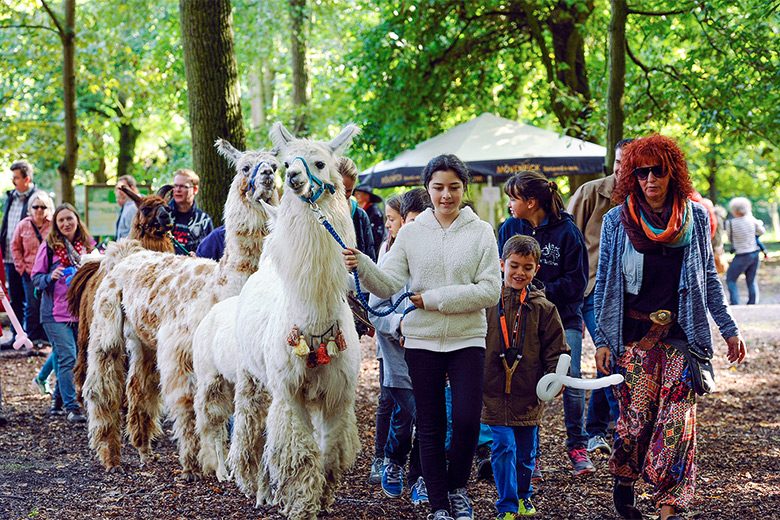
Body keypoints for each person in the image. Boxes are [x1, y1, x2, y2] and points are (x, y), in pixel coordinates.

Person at [593, 135, 746, 520]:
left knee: (677, 421)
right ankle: (625, 479)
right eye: (641, 172)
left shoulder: (693, 218)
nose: (649, 180)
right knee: (636, 421)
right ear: (632, 176)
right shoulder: (617, 221)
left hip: (680, 338)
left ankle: (669, 505)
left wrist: (729, 329)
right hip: (633, 338)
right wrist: (601, 339)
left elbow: (709, 279)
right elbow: (605, 286)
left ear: (671, 173)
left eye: (657, 171)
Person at [343, 154, 501, 520]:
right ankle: (440, 504)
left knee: (466, 421)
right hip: (422, 341)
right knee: (429, 423)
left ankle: (457, 487)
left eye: (453, 187)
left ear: (465, 188)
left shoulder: (481, 233)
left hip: (467, 338)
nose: (446, 195)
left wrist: (433, 299)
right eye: (438, 188)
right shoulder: (412, 233)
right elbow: (387, 283)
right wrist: (363, 264)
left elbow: (490, 290)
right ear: (427, 189)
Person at [497, 171, 592, 477]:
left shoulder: (567, 232)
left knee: (570, 378)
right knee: (525, 380)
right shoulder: (510, 227)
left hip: (565, 319)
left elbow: (577, 283)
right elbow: (499, 269)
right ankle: (530, 455)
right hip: (519, 318)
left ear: (531, 201)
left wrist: (540, 294)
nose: (510, 203)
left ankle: (578, 446)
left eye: (514, 198)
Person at [483, 235, 569, 519]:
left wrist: (554, 379)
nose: (520, 273)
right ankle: (506, 505)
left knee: (526, 451)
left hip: (528, 393)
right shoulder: (487, 301)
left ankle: (523, 495)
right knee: (502, 446)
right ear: (501, 264)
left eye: (527, 267)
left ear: (536, 269)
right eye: (514, 266)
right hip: (492, 391)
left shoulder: (544, 308)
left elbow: (558, 349)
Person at [567, 138, 634, 456]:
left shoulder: (642, 198)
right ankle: (622, 427)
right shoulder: (591, 192)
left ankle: (597, 429)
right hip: (587, 289)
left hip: (621, 295)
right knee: (610, 357)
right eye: (619, 162)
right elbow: (568, 237)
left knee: (612, 358)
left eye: (629, 162)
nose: (623, 169)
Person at [371, 193, 429, 504]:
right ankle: (393, 460)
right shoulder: (392, 262)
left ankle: (420, 477)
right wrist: (400, 326)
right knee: (408, 419)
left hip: (433, 358)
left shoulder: (440, 259)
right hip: (398, 362)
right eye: (410, 223)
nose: (415, 229)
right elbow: (375, 310)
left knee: (429, 421)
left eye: (423, 223)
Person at [32, 203, 95, 423]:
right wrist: (51, 276)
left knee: (67, 356)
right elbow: (36, 278)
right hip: (54, 313)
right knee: (68, 356)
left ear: (77, 220)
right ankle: (72, 407)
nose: (66, 223)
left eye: (70, 219)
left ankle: (57, 402)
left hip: (80, 311)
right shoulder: (48, 247)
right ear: (56, 225)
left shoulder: (88, 245)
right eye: (61, 220)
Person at [1, 160, 39, 350]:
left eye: (16, 177)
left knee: (31, 301)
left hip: (27, 260)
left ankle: (32, 338)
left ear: (27, 178)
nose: (13, 181)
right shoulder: (11, 197)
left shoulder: (36, 200)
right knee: (14, 299)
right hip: (9, 257)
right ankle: (16, 336)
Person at [11, 190, 54, 350]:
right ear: (31, 208)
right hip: (29, 272)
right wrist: (21, 267)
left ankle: (46, 337)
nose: (39, 210)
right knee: (32, 305)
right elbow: (15, 246)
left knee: (47, 304)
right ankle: (32, 337)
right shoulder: (23, 225)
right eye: (36, 207)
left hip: (48, 274)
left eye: (43, 207)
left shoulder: (52, 225)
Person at [724, 197, 766, 305]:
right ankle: (752, 303)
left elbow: (730, 238)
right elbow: (762, 232)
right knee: (751, 280)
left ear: (734, 210)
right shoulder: (752, 220)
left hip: (741, 255)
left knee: (730, 279)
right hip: (754, 254)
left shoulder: (730, 223)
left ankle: (735, 302)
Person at [338, 157, 376, 262]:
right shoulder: (321, 215)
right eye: (338, 189)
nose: (343, 195)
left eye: (348, 190)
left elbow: (370, 254)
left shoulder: (360, 215)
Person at [169, 168, 213, 255]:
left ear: (195, 189)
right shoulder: (164, 215)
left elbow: (210, 251)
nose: (178, 190)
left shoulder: (204, 221)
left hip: (191, 267)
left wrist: (198, 256)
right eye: (175, 186)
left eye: (183, 186)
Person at [355, 183, 386, 258]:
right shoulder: (359, 210)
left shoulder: (374, 212)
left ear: (367, 196)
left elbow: (377, 236)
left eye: (359, 193)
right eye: (356, 193)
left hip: (372, 252)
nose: (356, 195)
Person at [115, 175, 139, 240]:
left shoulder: (133, 207)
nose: (119, 192)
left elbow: (134, 235)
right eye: (118, 189)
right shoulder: (127, 205)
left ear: (132, 188)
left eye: (123, 188)